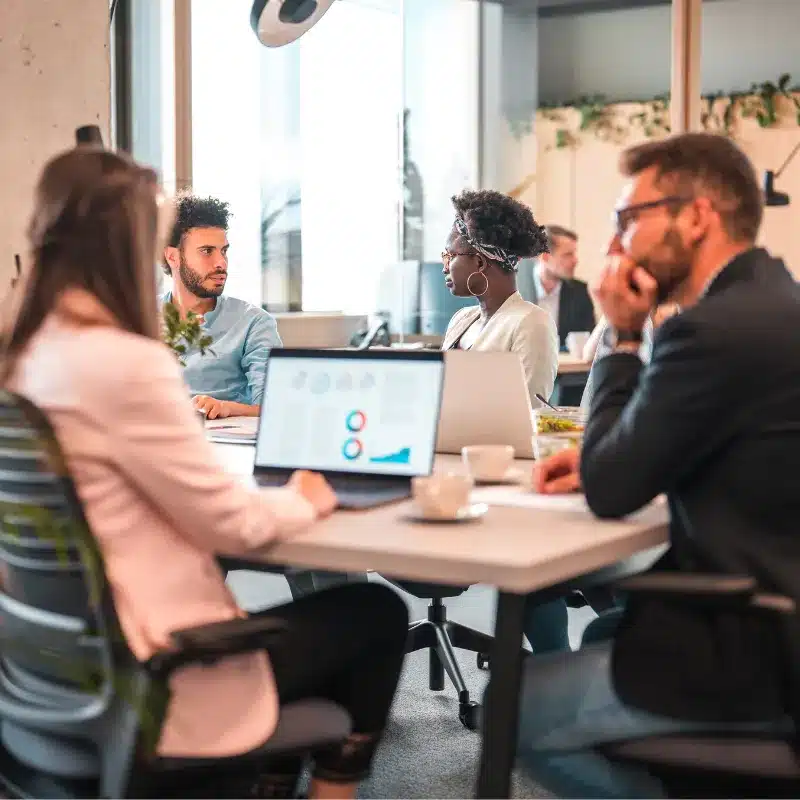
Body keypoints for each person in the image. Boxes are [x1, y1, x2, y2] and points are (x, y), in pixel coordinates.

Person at [5, 147, 408, 800]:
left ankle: (270, 780)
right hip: (155, 679)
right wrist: (307, 495)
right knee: (374, 612)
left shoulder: (24, 359)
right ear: (141, 249)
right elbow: (238, 524)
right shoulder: (126, 361)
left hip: (46, 683)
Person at [514, 131, 800, 798]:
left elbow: (613, 490)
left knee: (516, 701)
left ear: (697, 215)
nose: (617, 244)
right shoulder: (774, 301)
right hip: (774, 593)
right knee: (613, 625)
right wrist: (619, 455)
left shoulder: (708, 331)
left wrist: (622, 334)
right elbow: (731, 447)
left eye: (630, 219)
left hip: (761, 646)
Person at [162, 193, 279, 420]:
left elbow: (274, 408)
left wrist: (227, 408)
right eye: (207, 251)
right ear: (173, 257)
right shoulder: (141, 318)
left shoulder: (254, 323)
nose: (221, 263)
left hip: (223, 446)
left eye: (223, 251)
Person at [441, 189, 559, 407]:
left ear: (479, 263)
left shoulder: (531, 322)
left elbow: (528, 413)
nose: (445, 267)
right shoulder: (462, 319)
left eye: (450, 256)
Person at [521, 224, 596, 351]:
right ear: (545, 257)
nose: (575, 260)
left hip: (567, 369)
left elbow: (590, 344)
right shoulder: (514, 289)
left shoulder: (580, 292)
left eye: (574, 253)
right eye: (568, 255)